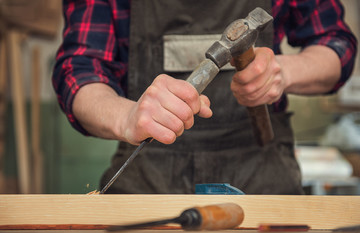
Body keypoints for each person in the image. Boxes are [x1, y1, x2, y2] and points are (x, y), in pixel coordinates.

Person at [52, 0, 357, 194]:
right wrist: (126, 117)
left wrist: (284, 71)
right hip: (148, 172)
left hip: (262, 169)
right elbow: (78, 69)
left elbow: (336, 45)